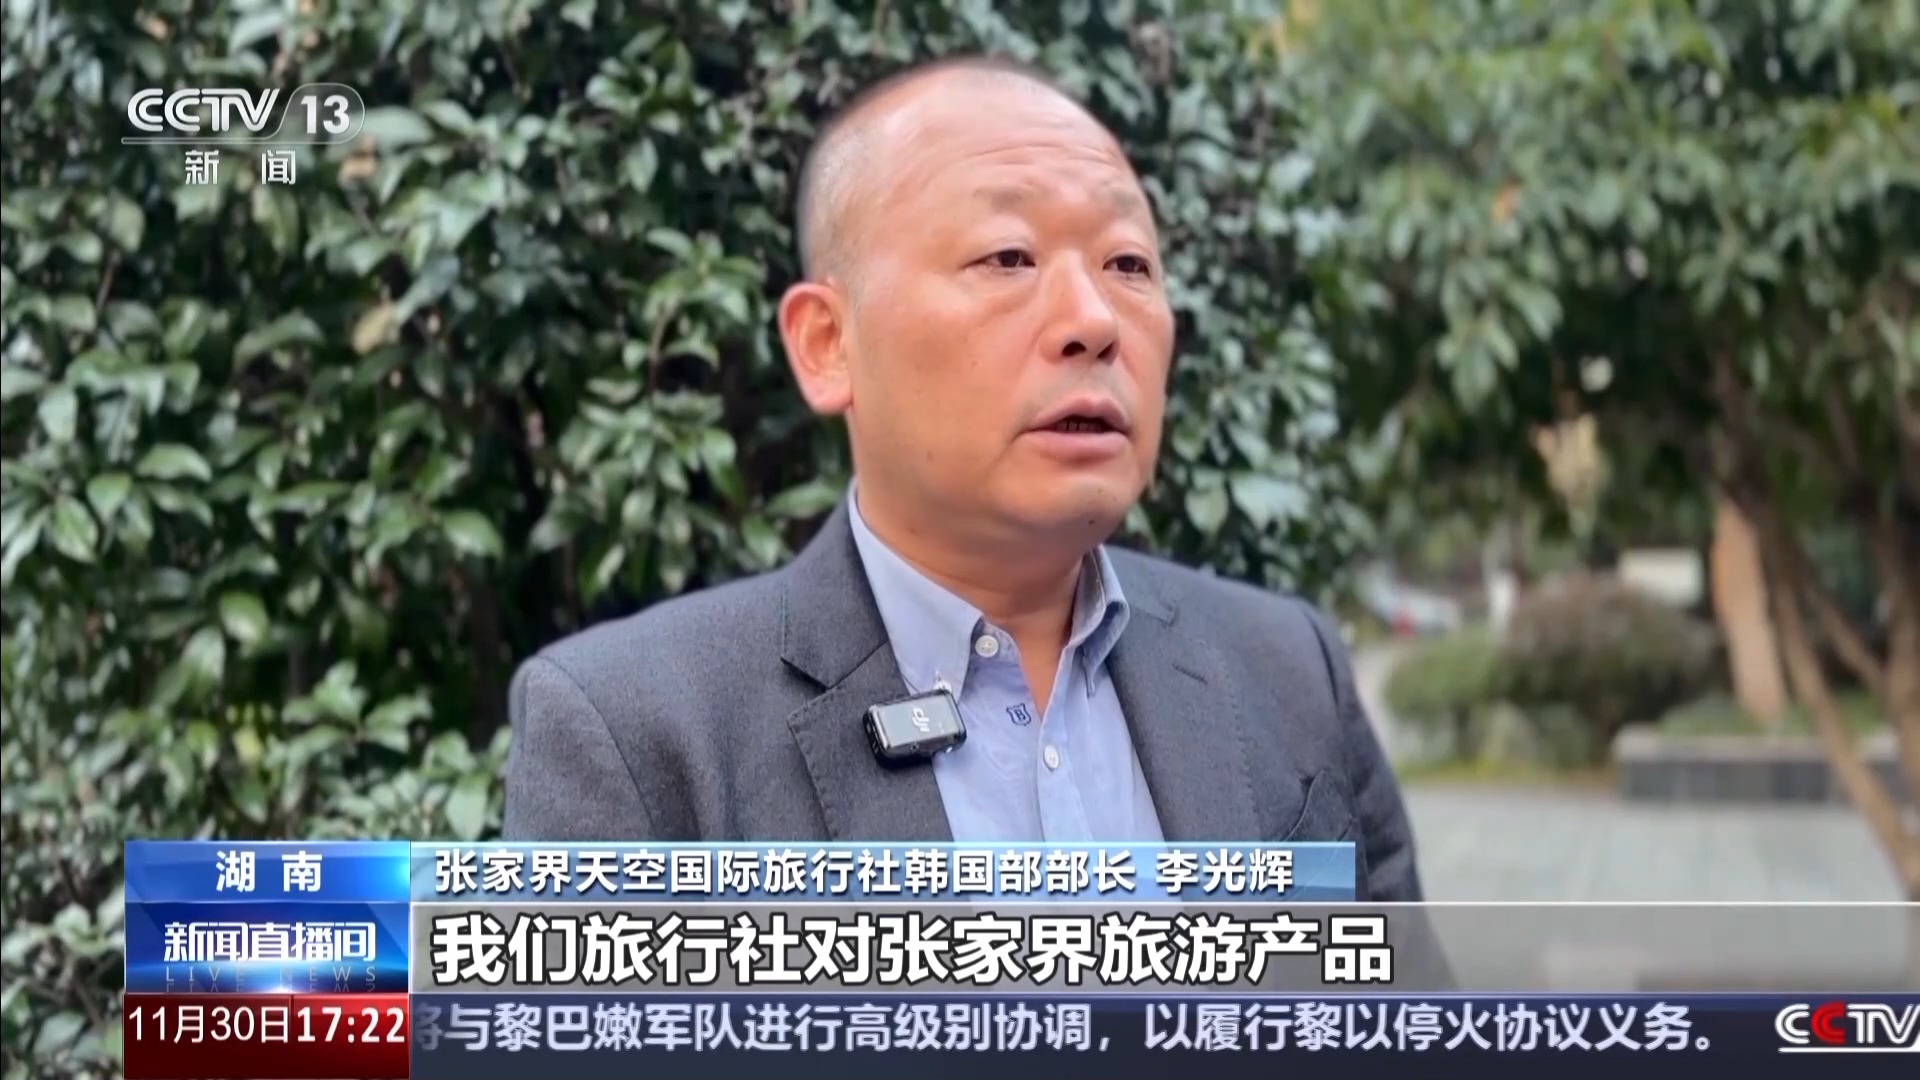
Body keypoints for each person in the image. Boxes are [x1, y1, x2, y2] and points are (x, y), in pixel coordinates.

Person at [504, 56, 1427, 902]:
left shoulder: (1288, 668)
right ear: (828, 344)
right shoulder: (636, 739)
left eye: (1128, 264)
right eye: (1008, 257)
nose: (1093, 320)